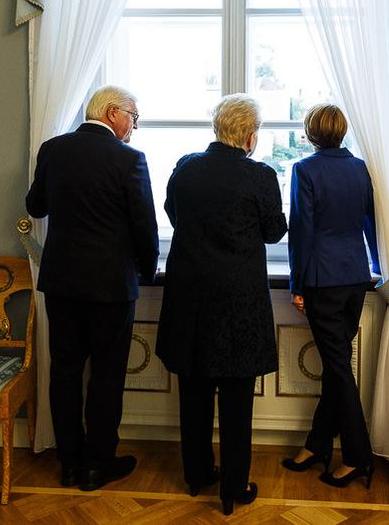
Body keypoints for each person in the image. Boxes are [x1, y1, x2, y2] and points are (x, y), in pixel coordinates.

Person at [156, 94, 287, 515]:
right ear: (250, 137)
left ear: (217, 128)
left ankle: (197, 476)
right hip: (239, 306)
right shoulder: (261, 176)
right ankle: (232, 487)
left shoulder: (186, 167)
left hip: (189, 298)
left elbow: (173, 213)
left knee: (192, 396)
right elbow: (273, 232)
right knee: (236, 401)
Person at [25, 85, 159, 492]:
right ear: (113, 112)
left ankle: (68, 463)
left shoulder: (52, 149)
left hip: (62, 282)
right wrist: (148, 273)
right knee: (105, 375)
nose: (135, 127)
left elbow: (36, 207)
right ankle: (97, 464)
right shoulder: (129, 159)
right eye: (134, 118)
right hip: (111, 287)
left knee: (64, 372)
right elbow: (145, 227)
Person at [283, 103, 381, 489]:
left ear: (310, 133)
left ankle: (358, 457)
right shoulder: (359, 168)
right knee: (337, 364)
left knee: (338, 368)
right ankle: (318, 444)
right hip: (355, 277)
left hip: (322, 282)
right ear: (341, 131)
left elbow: (301, 230)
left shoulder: (304, 169)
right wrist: (376, 267)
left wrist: (296, 285)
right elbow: (370, 221)